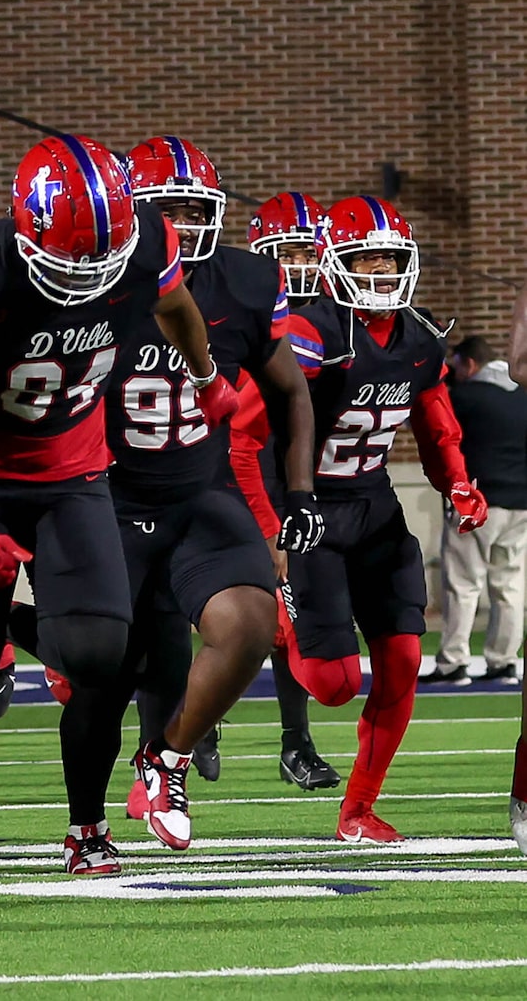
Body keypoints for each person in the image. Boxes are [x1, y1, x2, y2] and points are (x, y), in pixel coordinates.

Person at [0, 134, 215, 912]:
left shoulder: (144, 245)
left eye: (98, 266)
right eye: (70, 265)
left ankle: (83, 824)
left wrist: (206, 378)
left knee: (102, 653)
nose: (84, 283)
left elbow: (175, 306)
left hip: (74, 476)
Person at [57, 138, 320, 870]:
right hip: (101, 496)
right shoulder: (91, 276)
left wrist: (297, 492)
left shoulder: (244, 280)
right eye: (164, 207)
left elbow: (291, 390)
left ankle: (166, 761)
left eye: (191, 207)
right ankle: (85, 828)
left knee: (249, 622)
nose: (180, 220)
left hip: (198, 491)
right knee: (102, 672)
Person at [232, 196, 486, 843]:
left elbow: (436, 427)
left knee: (402, 663)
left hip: (373, 508)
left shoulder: (420, 336)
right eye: (363, 259)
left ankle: (357, 810)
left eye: (389, 259)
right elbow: (243, 438)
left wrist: (456, 484)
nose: (378, 272)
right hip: (309, 510)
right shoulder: (311, 334)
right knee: (333, 684)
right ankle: (280, 624)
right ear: (332, 264)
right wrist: (269, 527)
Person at [245, 191, 341, 790]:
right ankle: (178, 733)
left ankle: (294, 742)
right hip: (230, 470)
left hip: (304, 483)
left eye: (309, 249)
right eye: (287, 251)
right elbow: (240, 433)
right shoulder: (244, 303)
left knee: (291, 623)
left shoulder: (340, 316)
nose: (300, 262)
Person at [432, 335, 525, 685]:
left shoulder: (465, 397)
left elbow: (429, 427)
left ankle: (453, 662)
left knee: (463, 584)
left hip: (478, 501)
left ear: (469, 364)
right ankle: (503, 660)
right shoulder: (523, 396)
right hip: (522, 504)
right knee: (510, 586)